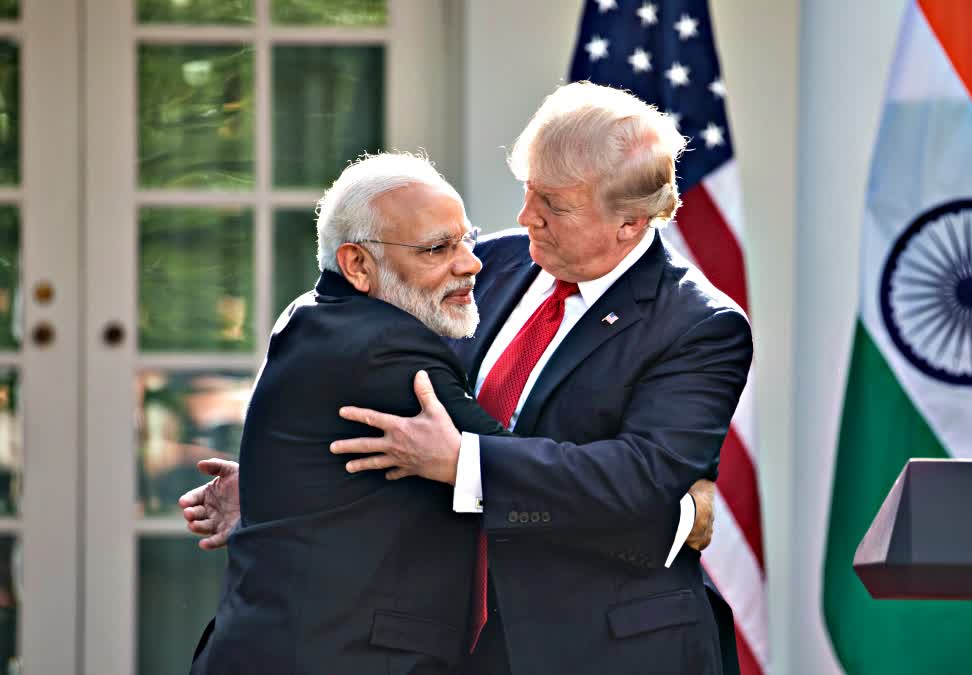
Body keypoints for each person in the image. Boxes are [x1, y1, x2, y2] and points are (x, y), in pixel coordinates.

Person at [184, 83, 750, 675]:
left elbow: (637, 479)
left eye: (553, 204)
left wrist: (466, 464)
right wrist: (297, 482)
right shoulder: (494, 261)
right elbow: (369, 373)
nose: (524, 216)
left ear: (630, 223)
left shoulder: (700, 326)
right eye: (527, 190)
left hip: (600, 649)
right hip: (451, 640)